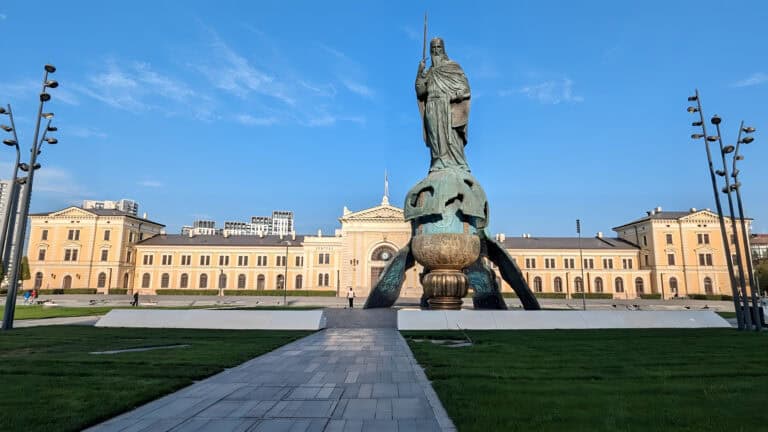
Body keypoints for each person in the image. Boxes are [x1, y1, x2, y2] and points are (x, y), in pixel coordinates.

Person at [415, 37, 471, 173]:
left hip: (447, 106)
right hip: (432, 107)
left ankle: (458, 163)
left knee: (451, 137)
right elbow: (421, 91)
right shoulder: (428, 72)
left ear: (443, 49)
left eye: (438, 47)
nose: (435, 50)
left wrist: (454, 96)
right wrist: (419, 72)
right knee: (435, 137)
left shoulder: (452, 67)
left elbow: (465, 90)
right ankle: (438, 163)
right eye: (433, 48)